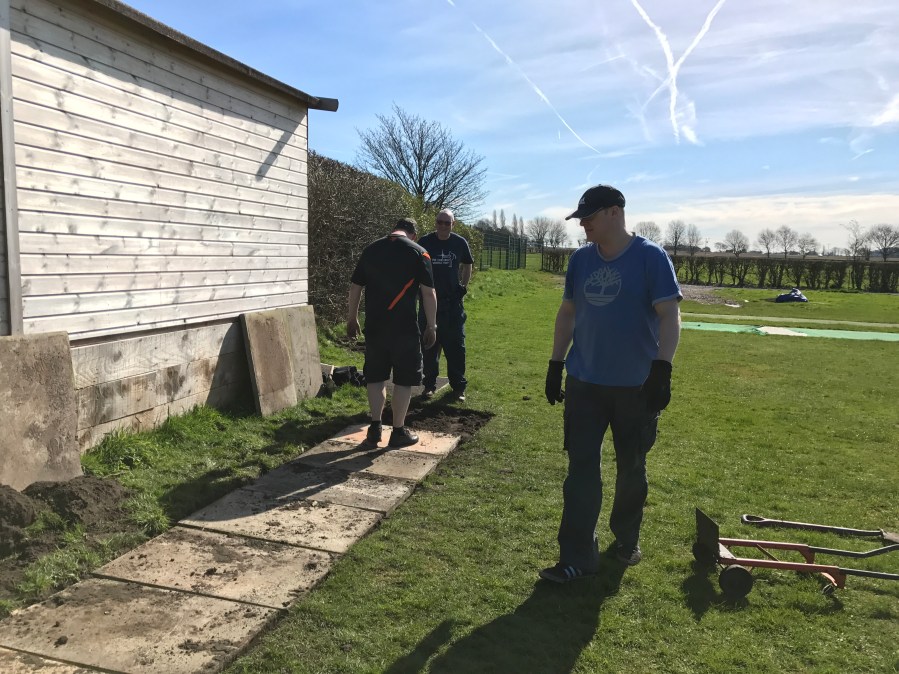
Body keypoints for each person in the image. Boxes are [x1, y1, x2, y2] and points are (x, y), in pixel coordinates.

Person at [540, 184, 682, 583]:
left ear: (615, 213)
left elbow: (669, 315)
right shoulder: (581, 260)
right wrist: (555, 363)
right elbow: (568, 312)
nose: (582, 224)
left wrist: (662, 368)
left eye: (589, 217)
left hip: (636, 387)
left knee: (631, 467)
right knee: (581, 470)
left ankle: (626, 539)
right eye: (581, 218)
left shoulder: (651, 257)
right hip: (584, 383)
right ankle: (576, 557)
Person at [348, 217, 438, 448]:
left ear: (394, 229)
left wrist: (352, 318)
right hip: (404, 329)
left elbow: (356, 286)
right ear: (414, 234)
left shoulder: (371, 250)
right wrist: (431, 326)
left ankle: (375, 427)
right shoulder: (419, 253)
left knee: (375, 376)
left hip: (375, 327)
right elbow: (428, 293)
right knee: (404, 380)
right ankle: (398, 431)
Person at [417, 208, 474, 401]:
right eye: (439, 222)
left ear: (453, 224)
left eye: (446, 223)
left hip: (452, 304)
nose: (442, 226)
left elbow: (468, 264)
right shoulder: (425, 242)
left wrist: (463, 287)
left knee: (456, 346)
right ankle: (429, 385)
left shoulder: (459, 243)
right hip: (428, 303)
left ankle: (458, 388)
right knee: (429, 346)